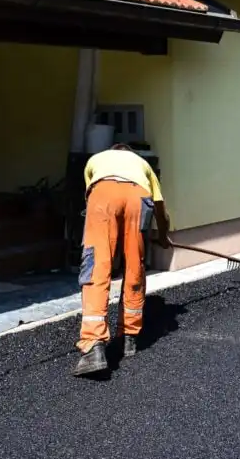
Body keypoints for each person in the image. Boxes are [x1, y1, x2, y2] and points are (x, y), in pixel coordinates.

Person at [73, 143, 171, 376]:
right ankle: (129, 337)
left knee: (97, 266)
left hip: (103, 194)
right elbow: (159, 207)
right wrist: (164, 235)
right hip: (139, 197)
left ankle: (93, 345)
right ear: (130, 153)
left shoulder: (96, 159)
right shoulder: (143, 165)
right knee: (135, 265)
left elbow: (92, 197)